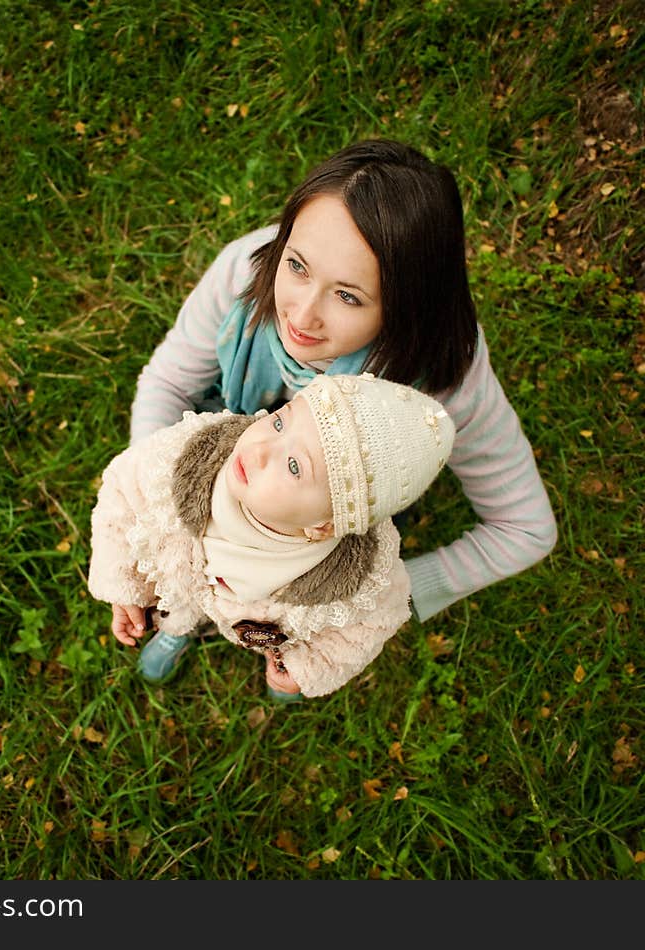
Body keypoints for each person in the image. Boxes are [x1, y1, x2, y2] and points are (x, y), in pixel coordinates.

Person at [129, 139, 557, 681]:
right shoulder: (247, 270)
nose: (302, 315)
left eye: (349, 296)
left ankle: (281, 647)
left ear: (407, 306)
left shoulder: (443, 380)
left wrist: (382, 601)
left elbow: (525, 528)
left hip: (320, 529)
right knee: (185, 561)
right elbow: (167, 383)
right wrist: (157, 516)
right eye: (298, 265)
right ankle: (180, 617)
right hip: (225, 464)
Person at [87, 373, 455, 701]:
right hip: (182, 582)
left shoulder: (358, 580)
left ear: (323, 526)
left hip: (256, 617)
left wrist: (305, 666)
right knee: (180, 601)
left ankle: (276, 668)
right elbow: (122, 492)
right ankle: (175, 628)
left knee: (288, 659)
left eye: (295, 466)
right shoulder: (186, 457)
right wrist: (128, 585)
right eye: (280, 423)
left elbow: (371, 625)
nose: (260, 448)